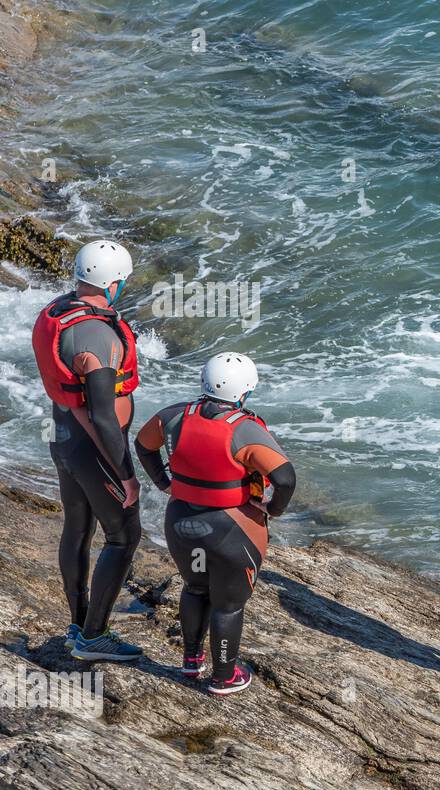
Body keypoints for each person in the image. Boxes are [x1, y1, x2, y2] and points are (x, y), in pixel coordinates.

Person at [134, 353, 296, 695]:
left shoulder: (173, 415)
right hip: (230, 531)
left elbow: (143, 446)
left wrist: (164, 483)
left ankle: (192, 661)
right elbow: (285, 477)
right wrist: (272, 509)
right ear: (245, 390)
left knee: (195, 588)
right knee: (228, 604)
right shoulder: (245, 428)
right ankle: (224, 677)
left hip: (180, 522)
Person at [32, 240, 144, 662]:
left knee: (78, 529)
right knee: (124, 535)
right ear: (112, 285)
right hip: (92, 449)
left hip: (62, 437)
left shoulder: (61, 310)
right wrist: (127, 475)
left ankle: (78, 623)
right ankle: (93, 637)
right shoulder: (97, 336)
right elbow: (102, 417)